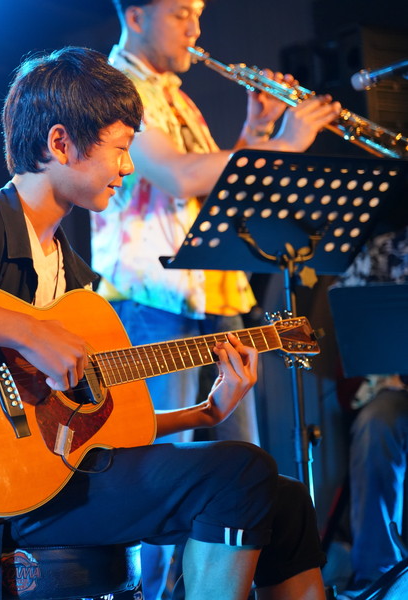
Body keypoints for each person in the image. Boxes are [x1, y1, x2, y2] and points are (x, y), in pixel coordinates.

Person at [0, 46, 326, 600]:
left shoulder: (73, 274)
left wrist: (207, 412)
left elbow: (98, 428)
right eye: (120, 149)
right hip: (8, 498)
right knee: (242, 469)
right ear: (60, 143)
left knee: (287, 501)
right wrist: (27, 332)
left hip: (61, 477)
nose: (128, 167)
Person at [90, 1, 342, 595]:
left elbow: (212, 191)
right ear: (136, 16)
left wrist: (256, 133)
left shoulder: (174, 95)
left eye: (199, 14)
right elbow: (180, 175)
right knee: (160, 475)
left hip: (212, 296)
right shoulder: (117, 88)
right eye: (182, 13)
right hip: (153, 300)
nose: (195, 29)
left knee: (242, 473)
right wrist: (286, 144)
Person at [334, 226, 408, 598]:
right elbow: (350, 320)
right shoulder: (386, 248)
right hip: (400, 390)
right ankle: (379, 577)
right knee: (376, 423)